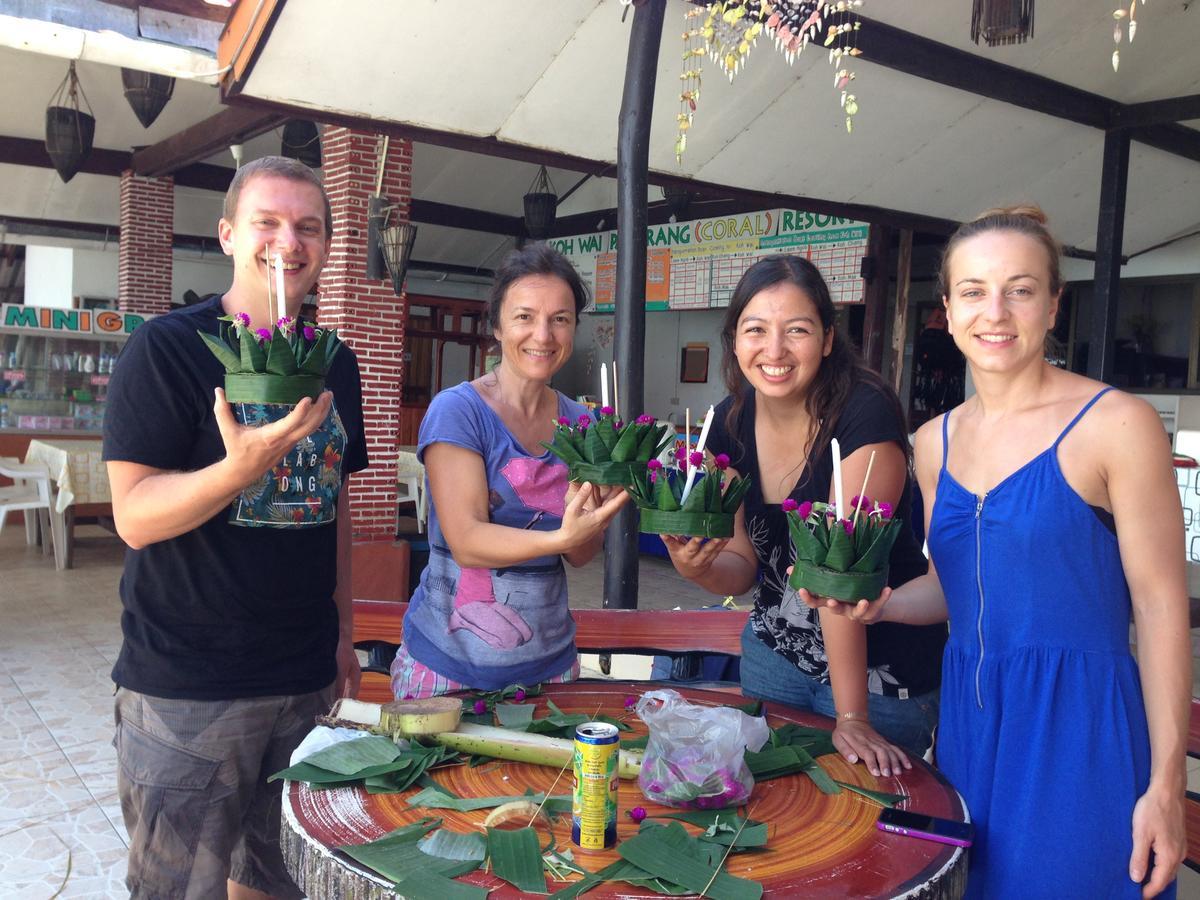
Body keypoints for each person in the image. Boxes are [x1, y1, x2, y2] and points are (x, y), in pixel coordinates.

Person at [807, 206, 1188, 898]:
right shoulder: (933, 442)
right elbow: (958, 589)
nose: (997, 311)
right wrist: (878, 606)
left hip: (1081, 727)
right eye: (976, 291)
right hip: (971, 727)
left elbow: (1160, 606)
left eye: (1021, 288)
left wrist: (1167, 783)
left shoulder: (1117, 425)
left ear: (1052, 305)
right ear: (947, 311)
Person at [103, 156, 368, 899]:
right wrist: (236, 470)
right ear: (228, 234)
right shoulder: (167, 350)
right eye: (268, 222)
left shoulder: (334, 362)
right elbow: (132, 517)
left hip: (303, 677)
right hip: (189, 687)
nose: (289, 241)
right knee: (176, 890)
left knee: (281, 882)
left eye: (308, 226)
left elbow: (334, 508)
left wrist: (343, 633)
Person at [662, 254, 946, 778]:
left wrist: (852, 714)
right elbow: (744, 566)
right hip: (777, 655)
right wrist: (696, 567)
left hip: (877, 675)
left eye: (797, 330)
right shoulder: (728, 421)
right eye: (756, 330)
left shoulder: (864, 415)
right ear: (735, 339)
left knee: (861, 822)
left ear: (828, 339)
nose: (775, 350)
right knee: (772, 814)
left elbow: (842, 574)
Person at [391, 243, 628, 698]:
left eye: (560, 319)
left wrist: (600, 507)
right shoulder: (458, 411)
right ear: (496, 326)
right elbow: (467, 542)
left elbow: (580, 555)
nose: (543, 334)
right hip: (450, 670)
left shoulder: (584, 424)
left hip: (550, 666)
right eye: (524, 317)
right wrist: (562, 536)